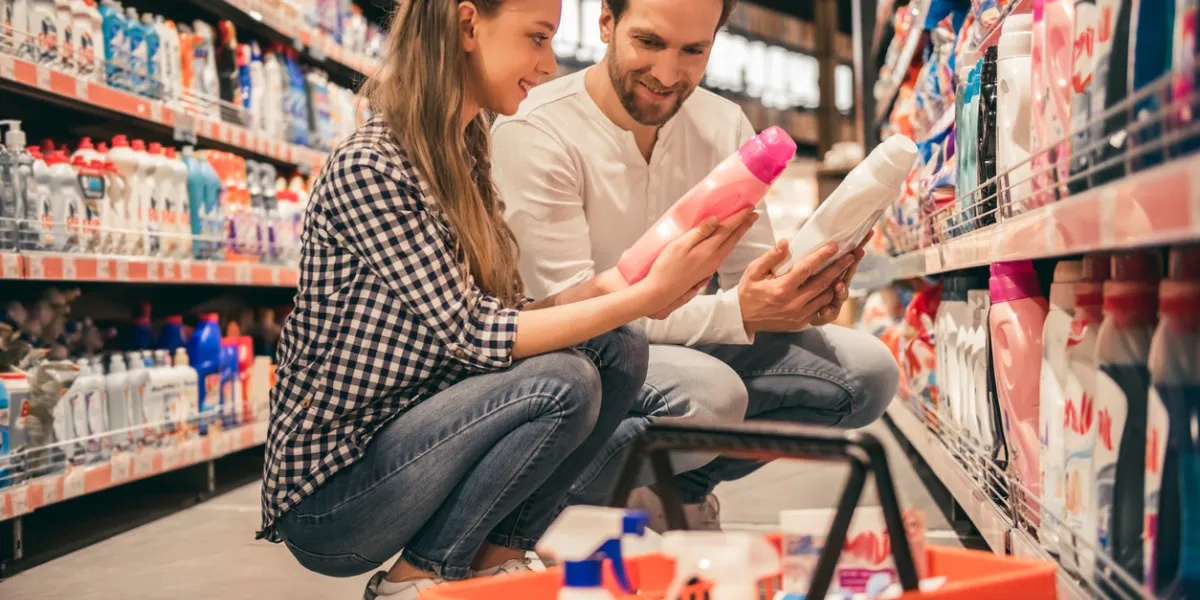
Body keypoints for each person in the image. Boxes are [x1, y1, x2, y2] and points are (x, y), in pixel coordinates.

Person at [257, 1, 755, 598]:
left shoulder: (467, 151)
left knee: (617, 347)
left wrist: (631, 284)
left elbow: (508, 317)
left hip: (418, 438)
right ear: (469, 25)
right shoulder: (372, 166)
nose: (547, 66)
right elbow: (475, 334)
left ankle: (499, 558)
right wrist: (646, 295)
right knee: (562, 381)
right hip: (336, 494)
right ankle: (419, 579)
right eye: (537, 39)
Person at [492, 0, 900, 528]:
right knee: (709, 395)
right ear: (606, 23)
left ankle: (679, 490)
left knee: (868, 373)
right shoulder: (537, 129)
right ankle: (556, 505)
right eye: (649, 42)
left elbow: (755, 276)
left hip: (683, 341)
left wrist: (802, 294)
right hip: (584, 360)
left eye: (693, 50)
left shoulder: (723, 122)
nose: (667, 74)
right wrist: (742, 314)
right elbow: (576, 323)